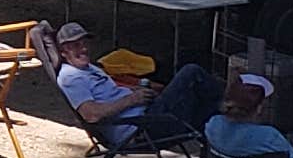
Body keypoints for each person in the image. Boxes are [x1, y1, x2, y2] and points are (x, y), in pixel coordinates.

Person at [51, 23, 218, 147]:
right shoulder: (70, 78)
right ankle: (234, 111)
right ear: (63, 52)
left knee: (208, 116)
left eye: (85, 43)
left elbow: (111, 91)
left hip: (147, 116)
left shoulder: (89, 68)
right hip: (140, 131)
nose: (84, 49)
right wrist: (131, 100)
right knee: (191, 72)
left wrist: (136, 90)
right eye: (75, 46)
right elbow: (91, 114)